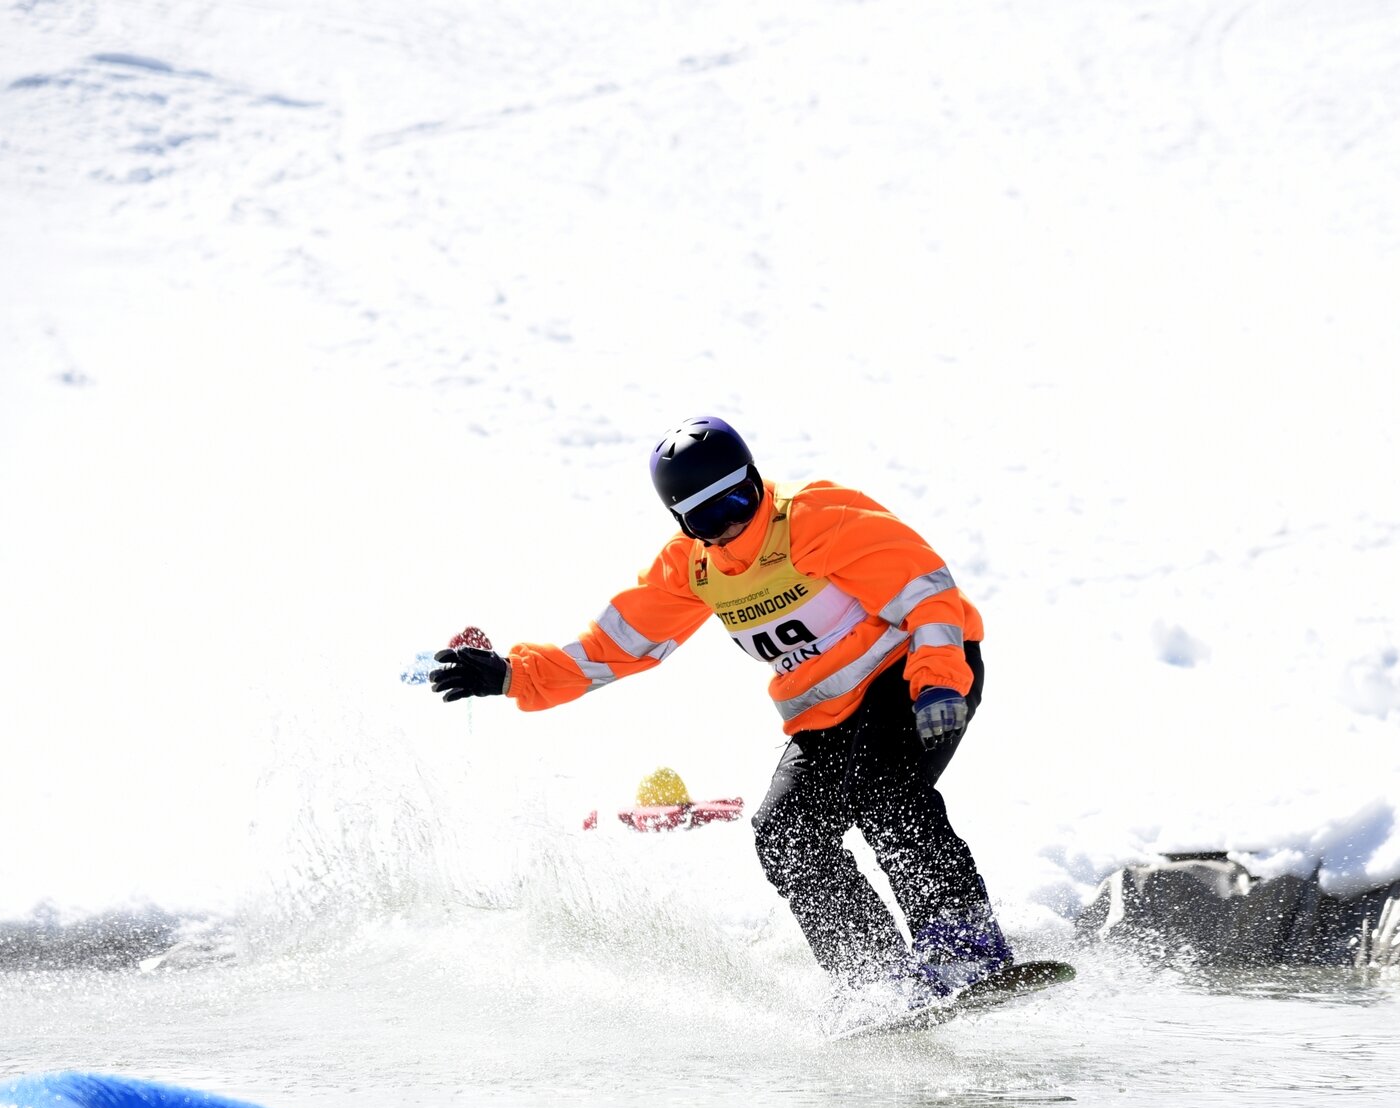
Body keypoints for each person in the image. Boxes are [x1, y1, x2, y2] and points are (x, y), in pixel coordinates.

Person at [429, 415, 1013, 1006]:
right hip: (826, 715)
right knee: (786, 834)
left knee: (884, 791)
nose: (732, 525)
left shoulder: (818, 519)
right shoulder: (692, 568)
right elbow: (616, 646)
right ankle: (877, 980)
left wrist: (938, 683)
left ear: (757, 481)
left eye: (739, 499)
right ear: (685, 524)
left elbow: (926, 591)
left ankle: (965, 953)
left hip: (916, 676)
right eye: (708, 517)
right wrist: (511, 674)